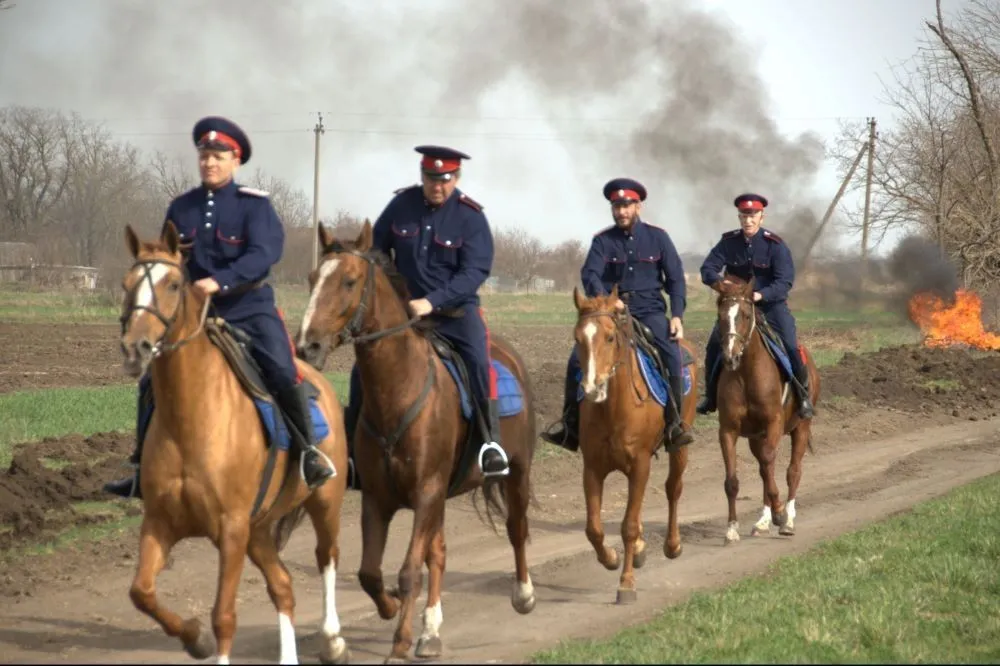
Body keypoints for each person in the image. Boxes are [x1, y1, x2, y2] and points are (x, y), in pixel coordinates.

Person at [104, 116, 335, 499]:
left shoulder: (254, 207)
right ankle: (142, 465)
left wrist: (221, 280)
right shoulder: (181, 207)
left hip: (249, 308)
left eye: (219, 156)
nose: (210, 162)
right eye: (204, 155)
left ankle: (308, 453)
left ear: (236, 160)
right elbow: (168, 258)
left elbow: (265, 253)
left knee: (280, 368)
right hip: (195, 313)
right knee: (150, 381)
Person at [341, 145, 509, 488]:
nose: (438, 185)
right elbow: (375, 251)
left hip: (456, 314)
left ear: (456, 178)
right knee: (362, 370)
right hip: (405, 316)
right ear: (422, 176)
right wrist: (392, 292)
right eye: (432, 178)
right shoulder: (402, 206)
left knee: (478, 363)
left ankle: (489, 444)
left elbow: (475, 271)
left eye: (445, 179)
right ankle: (352, 454)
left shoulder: (470, 216)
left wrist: (432, 301)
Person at [541, 178, 694, 451]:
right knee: (576, 360)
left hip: (650, 311)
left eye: (627, 205)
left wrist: (677, 315)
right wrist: (607, 301)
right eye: (616, 206)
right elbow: (590, 274)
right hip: (611, 314)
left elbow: (675, 280)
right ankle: (570, 428)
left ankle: (674, 426)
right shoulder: (602, 241)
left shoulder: (659, 238)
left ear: (638, 206)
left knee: (672, 354)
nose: (621, 211)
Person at [696, 192, 815, 419]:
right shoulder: (728, 243)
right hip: (737, 308)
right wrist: (723, 287)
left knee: (790, 345)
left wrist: (761, 295)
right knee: (713, 346)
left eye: (753, 216)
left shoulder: (776, 245)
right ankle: (710, 397)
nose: (747, 220)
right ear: (739, 217)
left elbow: (785, 281)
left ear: (762, 217)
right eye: (743, 216)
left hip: (770, 307)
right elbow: (707, 269)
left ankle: (803, 397)